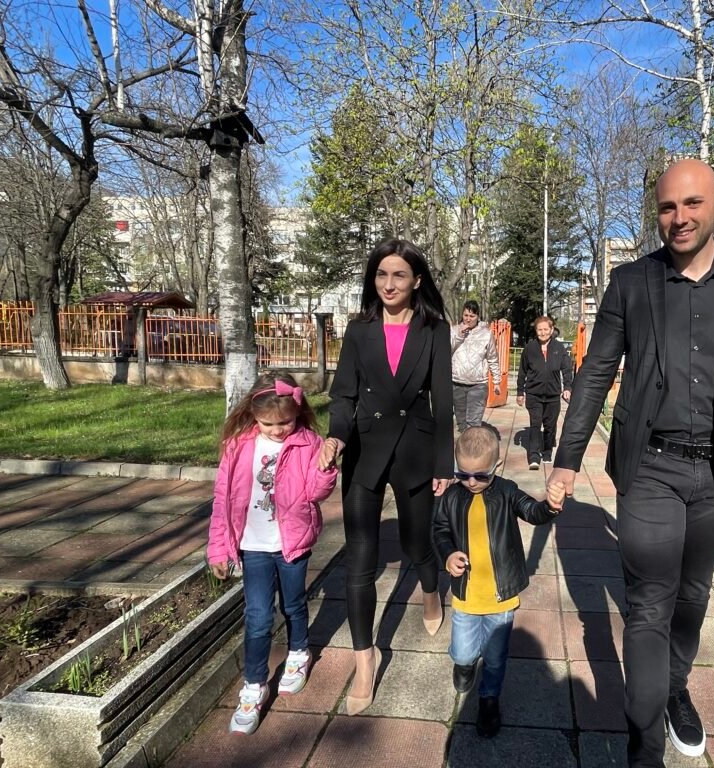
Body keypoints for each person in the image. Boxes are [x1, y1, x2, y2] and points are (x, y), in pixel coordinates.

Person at [548, 159, 714, 766]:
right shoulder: (630, 283)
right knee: (650, 603)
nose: (679, 218)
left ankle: (675, 687)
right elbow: (596, 373)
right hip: (649, 467)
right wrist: (567, 460)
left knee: (693, 593)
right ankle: (644, 749)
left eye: (692, 204)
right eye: (668, 207)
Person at [318, 238, 454, 716]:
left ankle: (432, 592)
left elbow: (442, 399)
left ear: (417, 280)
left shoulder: (434, 329)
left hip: (415, 451)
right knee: (359, 558)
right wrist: (336, 438)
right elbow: (344, 394)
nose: (389, 284)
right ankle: (365, 659)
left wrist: (444, 464)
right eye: (381, 274)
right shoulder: (359, 330)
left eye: (399, 275)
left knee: (418, 545)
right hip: (365, 450)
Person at [207, 373, 338, 735]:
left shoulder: (308, 442)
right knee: (258, 616)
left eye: (286, 422)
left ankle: (298, 652)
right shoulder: (238, 446)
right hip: (253, 546)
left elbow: (315, 493)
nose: (279, 430)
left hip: (291, 543)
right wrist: (218, 548)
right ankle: (254, 684)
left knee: (293, 604)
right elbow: (222, 499)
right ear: (253, 415)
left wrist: (327, 468)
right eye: (269, 424)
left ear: (297, 414)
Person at [432, 426, 566, 737]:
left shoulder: (506, 491)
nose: (471, 482)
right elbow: (439, 530)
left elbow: (532, 511)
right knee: (463, 653)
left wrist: (550, 506)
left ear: (497, 466)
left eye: (480, 475)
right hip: (466, 595)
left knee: (494, 658)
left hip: (500, 597)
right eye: (463, 474)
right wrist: (448, 554)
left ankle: (489, 698)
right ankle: (464, 665)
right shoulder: (452, 496)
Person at [516, 316, 573, 470]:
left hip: (553, 395)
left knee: (550, 426)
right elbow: (522, 371)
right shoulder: (530, 348)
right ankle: (534, 457)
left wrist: (567, 388)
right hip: (534, 394)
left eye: (545, 329)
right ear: (536, 331)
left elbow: (567, 369)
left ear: (552, 329)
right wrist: (520, 391)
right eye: (539, 330)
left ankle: (547, 452)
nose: (542, 332)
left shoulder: (559, 348)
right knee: (535, 425)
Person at [451, 299, 503, 431]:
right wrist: (459, 335)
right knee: (461, 423)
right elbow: (445, 351)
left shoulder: (486, 334)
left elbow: (492, 358)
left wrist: (497, 381)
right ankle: (465, 443)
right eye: (466, 315)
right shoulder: (453, 330)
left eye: (472, 316)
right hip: (457, 382)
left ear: (478, 316)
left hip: (478, 384)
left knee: (473, 423)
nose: (468, 319)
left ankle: (473, 444)